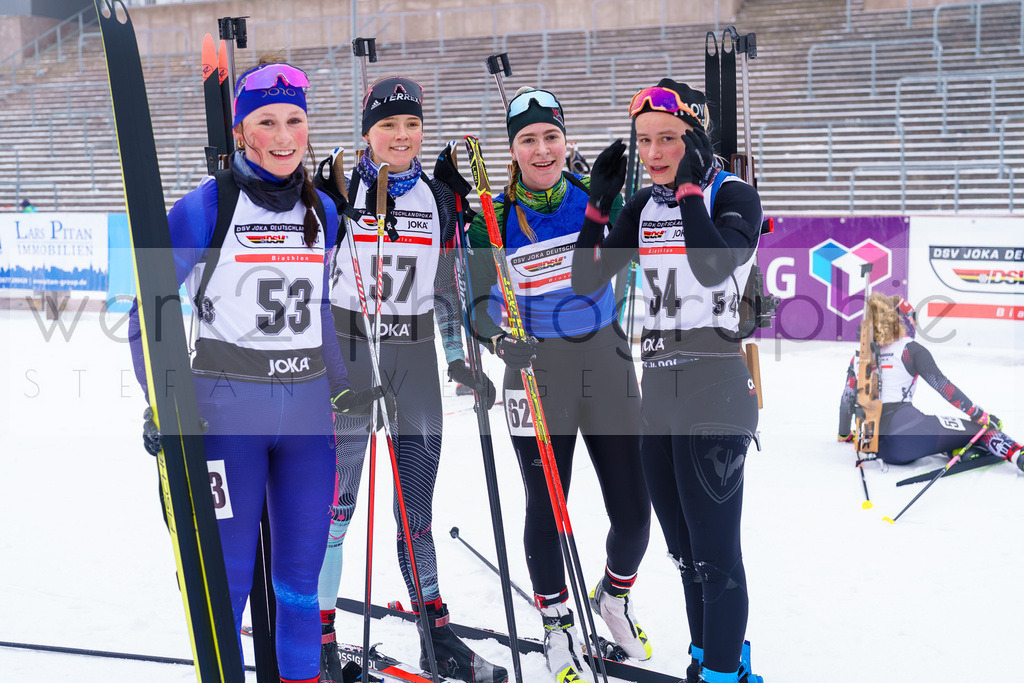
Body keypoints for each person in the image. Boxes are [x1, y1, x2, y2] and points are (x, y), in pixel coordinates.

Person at [128, 59, 384, 683]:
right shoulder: (206, 207)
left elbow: (318, 307)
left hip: (306, 422)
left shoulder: (323, 210)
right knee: (228, 586)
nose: (283, 135)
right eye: (266, 121)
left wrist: (347, 384)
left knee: (300, 588)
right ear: (242, 130)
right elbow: (146, 311)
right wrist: (167, 402)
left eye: (294, 120)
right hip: (225, 418)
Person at [571, 79, 765, 683]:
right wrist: (598, 210)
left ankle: (724, 673)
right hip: (657, 391)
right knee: (684, 555)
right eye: (645, 141)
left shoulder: (731, 194)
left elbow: (713, 268)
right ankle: (709, 658)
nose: (654, 153)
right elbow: (586, 283)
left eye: (670, 140)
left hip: (714, 388)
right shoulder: (643, 205)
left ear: (696, 139)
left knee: (716, 556)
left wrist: (687, 193)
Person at [313, 75, 505, 683]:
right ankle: (317, 641)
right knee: (336, 508)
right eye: (388, 125)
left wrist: (459, 361)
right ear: (367, 131)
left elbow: (446, 292)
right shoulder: (337, 189)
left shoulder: (437, 197)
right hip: (349, 355)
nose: (401, 135)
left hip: (414, 356)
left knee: (414, 507)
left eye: (412, 124)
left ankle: (435, 633)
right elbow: (312, 290)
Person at [463, 87, 652, 683]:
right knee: (547, 504)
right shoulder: (489, 219)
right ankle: (557, 625)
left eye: (551, 136)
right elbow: (475, 308)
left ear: (565, 140)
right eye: (527, 139)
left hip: (606, 358)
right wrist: (498, 342)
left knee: (635, 509)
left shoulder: (598, 200)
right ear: (512, 149)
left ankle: (613, 598)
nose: (541, 149)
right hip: (533, 370)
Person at [837, 293, 1023, 469]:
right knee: (979, 430)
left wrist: (845, 434)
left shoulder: (860, 357)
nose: (916, 324)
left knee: (941, 432)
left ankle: (957, 450)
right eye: (913, 318)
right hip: (908, 435)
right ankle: (1018, 454)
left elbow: (846, 402)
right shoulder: (911, 349)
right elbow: (943, 387)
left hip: (876, 447)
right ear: (901, 320)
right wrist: (980, 415)